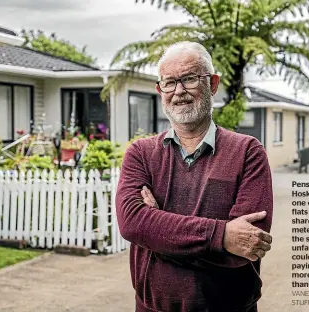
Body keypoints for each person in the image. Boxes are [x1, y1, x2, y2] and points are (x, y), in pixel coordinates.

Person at [115, 41, 274, 312]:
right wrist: (221, 235)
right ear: (160, 90)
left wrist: (157, 235)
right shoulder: (140, 154)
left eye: (189, 79)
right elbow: (132, 224)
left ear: (212, 84)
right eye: (169, 82)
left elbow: (247, 246)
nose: (179, 91)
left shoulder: (248, 152)